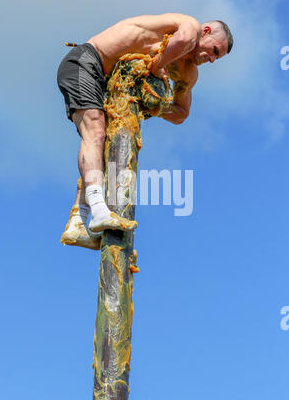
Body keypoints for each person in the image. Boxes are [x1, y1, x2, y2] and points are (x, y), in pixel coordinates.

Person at [57, 13, 233, 250]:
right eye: (214, 50)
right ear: (207, 31)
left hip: (103, 85)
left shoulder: (188, 72)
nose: (212, 59)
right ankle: (99, 210)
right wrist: (155, 67)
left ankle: (78, 222)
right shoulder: (189, 27)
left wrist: (156, 104)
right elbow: (181, 41)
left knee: (103, 146)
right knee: (96, 130)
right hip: (88, 62)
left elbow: (182, 112)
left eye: (217, 57)